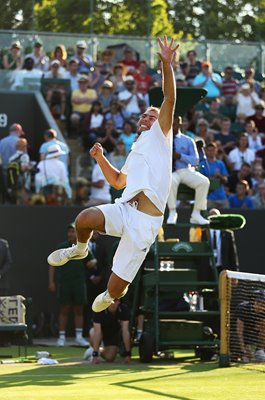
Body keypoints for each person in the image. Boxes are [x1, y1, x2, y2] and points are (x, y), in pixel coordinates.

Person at [48, 36, 178, 313]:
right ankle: (80, 249)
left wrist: (167, 64)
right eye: (144, 116)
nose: (146, 118)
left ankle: (110, 295)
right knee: (84, 219)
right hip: (125, 209)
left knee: (117, 288)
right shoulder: (136, 148)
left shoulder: (161, 137)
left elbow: (169, 97)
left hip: (146, 224)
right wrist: (101, 158)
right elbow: (119, 181)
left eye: (152, 117)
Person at [48, 222, 94, 347]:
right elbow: (52, 264)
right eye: (69, 231)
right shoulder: (61, 247)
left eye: (73, 231)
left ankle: (79, 337)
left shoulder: (83, 247)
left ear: (77, 233)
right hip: (64, 284)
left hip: (79, 284)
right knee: (64, 309)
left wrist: (92, 262)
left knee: (79, 310)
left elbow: (92, 260)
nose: (70, 234)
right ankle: (61, 337)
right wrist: (51, 282)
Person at [167, 115, 210, 225]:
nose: (173, 125)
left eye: (175, 123)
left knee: (204, 182)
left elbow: (195, 160)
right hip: (170, 172)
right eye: (171, 123)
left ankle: (196, 214)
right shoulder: (164, 139)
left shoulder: (188, 140)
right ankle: (172, 212)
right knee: (170, 181)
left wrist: (180, 156)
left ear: (180, 124)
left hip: (185, 170)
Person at [83, 299, 131, 364]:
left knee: (110, 358)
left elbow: (125, 332)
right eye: (110, 301)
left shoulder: (124, 309)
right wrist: (95, 355)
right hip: (98, 331)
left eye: (115, 301)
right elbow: (97, 332)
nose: (113, 303)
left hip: (112, 333)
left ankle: (97, 350)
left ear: (118, 302)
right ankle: (93, 351)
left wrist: (128, 354)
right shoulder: (99, 308)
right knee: (93, 333)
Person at [235, 289, 265, 362]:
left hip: (253, 337)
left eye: (263, 304)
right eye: (258, 302)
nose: (260, 306)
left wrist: (260, 348)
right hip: (235, 337)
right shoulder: (243, 308)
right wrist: (244, 352)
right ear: (253, 301)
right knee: (244, 359)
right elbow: (239, 332)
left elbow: (262, 331)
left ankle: (259, 350)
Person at [208, 208, 239, 275]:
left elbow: (232, 255)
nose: (214, 219)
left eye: (216, 216)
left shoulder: (228, 234)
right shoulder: (203, 233)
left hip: (222, 270)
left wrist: (235, 273)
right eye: (211, 216)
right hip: (206, 270)